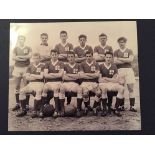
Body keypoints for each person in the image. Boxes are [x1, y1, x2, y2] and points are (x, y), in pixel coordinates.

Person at [16, 53, 45, 118]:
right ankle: (24, 110)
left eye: (37, 58)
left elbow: (41, 77)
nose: (35, 60)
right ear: (32, 59)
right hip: (31, 84)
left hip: (40, 83)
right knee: (22, 91)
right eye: (34, 58)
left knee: (39, 91)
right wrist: (36, 76)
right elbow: (27, 78)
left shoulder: (42, 66)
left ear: (40, 59)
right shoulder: (30, 66)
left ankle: (35, 111)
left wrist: (32, 75)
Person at [98, 51, 124, 117]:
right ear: (105, 58)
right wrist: (110, 80)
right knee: (104, 89)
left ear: (112, 58)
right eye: (107, 57)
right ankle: (104, 109)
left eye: (110, 57)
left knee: (122, 88)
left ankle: (116, 108)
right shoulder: (100, 66)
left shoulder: (114, 66)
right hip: (103, 84)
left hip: (112, 83)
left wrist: (106, 78)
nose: (108, 59)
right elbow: (100, 80)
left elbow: (115, 80)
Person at [114, 37, 137, 112]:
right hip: (120, 70)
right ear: (118, 43)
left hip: (129, 70)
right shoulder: (116, 51)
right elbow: (115, 62)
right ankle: (121, 106)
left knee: (130, 88)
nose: (121, 43)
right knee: (121, 89)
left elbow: (130, 60)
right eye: (120, 42)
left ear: (125, 42)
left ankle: (132, 106)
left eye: (123, 42)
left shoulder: (129, 50)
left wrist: (120, 59)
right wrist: (125, 60)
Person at [59, 51, 83, 117]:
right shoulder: (65, 65)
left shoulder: (78, 65)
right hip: (66, 83)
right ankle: (62, 109)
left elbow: (79, 76)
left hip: (75, 84)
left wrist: (68, 75)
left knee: (80, 89)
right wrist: (74, 76)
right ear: (67, 58)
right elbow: (63, 77)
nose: (71, 58)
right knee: (61, 88)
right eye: (69, 57)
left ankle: (78, 109)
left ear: (74, 57)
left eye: (72, 56)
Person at [41, 50, 64, 118]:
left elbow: (60, 75)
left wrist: (50, 74)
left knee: (56, 89)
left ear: (58, 55)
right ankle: (42, 110)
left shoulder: (61, 63)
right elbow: (45, 75)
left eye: (56, 54)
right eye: (53, 54)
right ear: (51, 55)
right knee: (44, 88)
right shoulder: (47, 63)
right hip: (49, 82)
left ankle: (56, 110)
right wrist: (55, 74)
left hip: (58, 82)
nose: (54, 56)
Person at [12, 35, 32, 112]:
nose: (21, 40)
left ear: (24, 40)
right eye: (20, 39)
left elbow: (29, 56)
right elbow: (13, 57)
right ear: (18, 40)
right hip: (17, 68)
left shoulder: (28, 48)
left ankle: (26, 104)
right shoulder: (15, 48)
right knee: (17, 86)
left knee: (26, 86)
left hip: (26, 68)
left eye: (22, 39)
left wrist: (19, 57)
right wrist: (24, 57)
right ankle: (17, 104)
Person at [79, 51, 101, 115]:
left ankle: (94, 107)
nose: (88, 57)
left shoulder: (96, 64)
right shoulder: (82, 64)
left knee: (99, 93)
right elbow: (82, 75)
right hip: (85, 82)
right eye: (87, 56)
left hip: (94, 82)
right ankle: (86, 107)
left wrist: (86, 74)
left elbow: (97, 75)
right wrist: (92, 75)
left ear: (92, 56)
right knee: (85, 93)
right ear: (85, 57)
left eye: (90, 56)